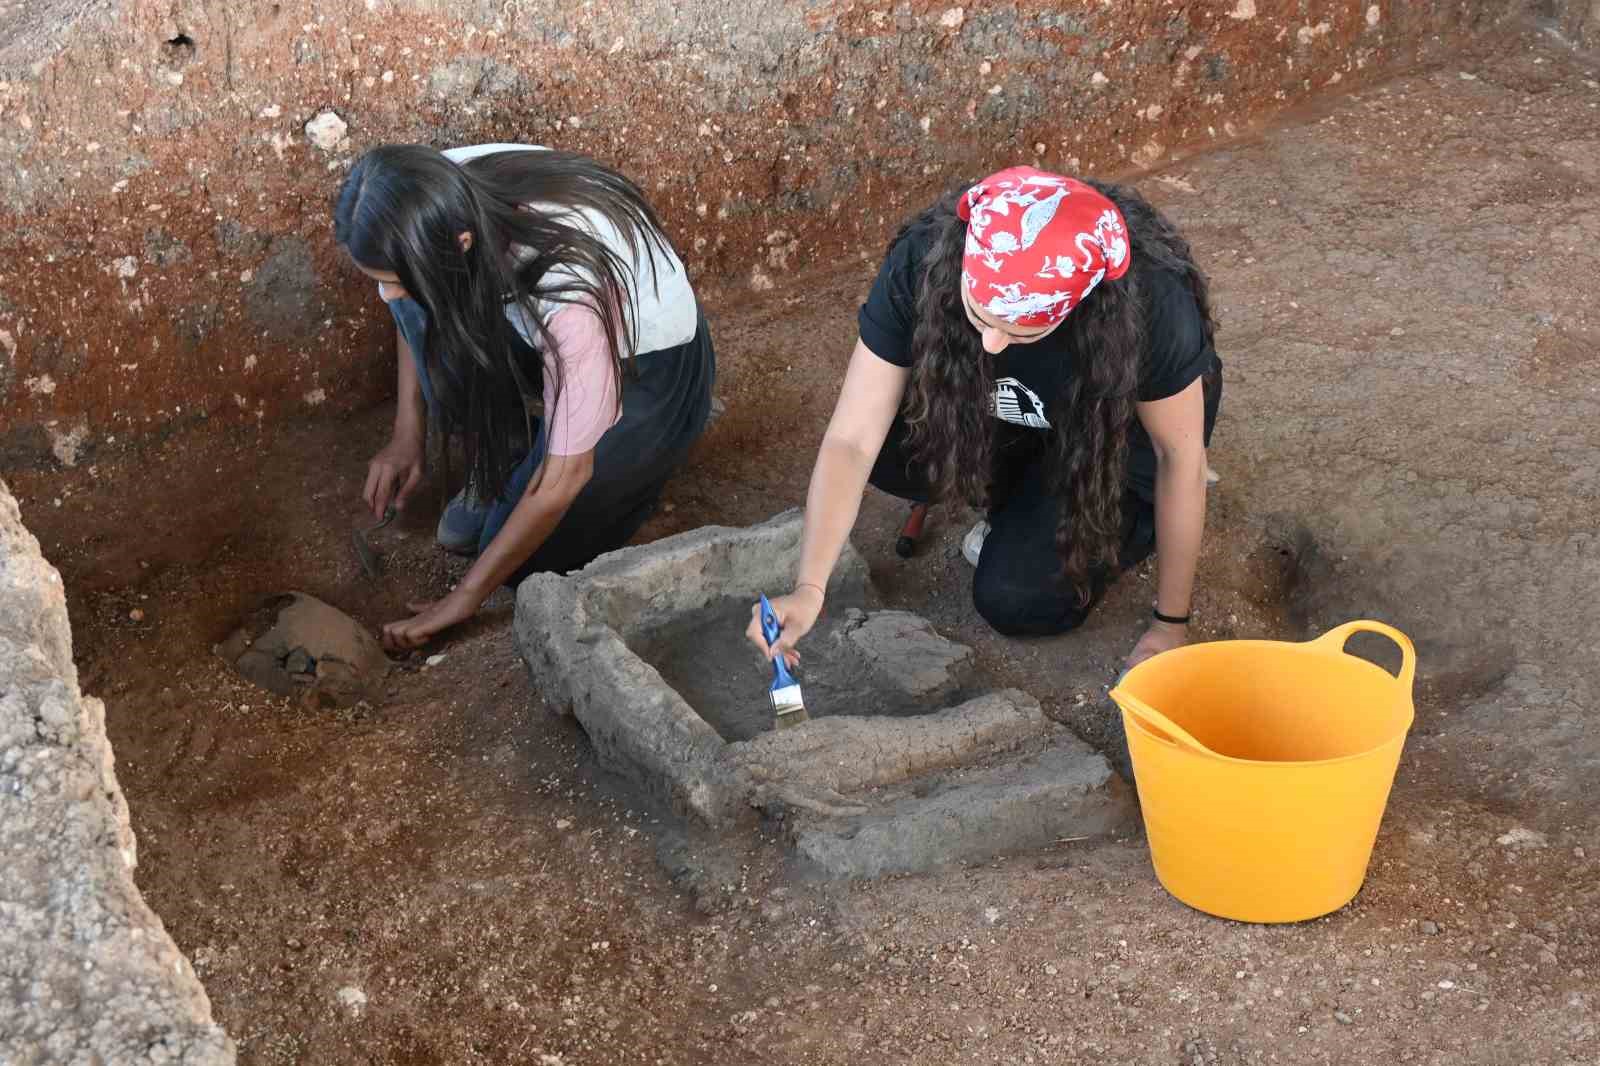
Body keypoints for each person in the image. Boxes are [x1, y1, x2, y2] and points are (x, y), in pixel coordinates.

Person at [746, 166, 1221, 673]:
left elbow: (1180, 458)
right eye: (980, 316)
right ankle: (1016, 500)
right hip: (1015, 411)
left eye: (1018, 330)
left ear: (1079, 310)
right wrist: (809, 588)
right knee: (891, 450)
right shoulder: (925, 258)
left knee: (1018, 600)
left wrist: (1171, 625)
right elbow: (852, 437)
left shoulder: (1150, 304)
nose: (991, 344)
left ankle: (1119, 517)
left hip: (1107, 436)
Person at [334, 143, 714, 650]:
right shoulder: (423, 198)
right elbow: (412, 311)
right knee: (472, 531)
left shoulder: (570, 296)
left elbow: (562, 482)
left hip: (648, 368)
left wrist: (465, 596)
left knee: (519, 562)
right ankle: (515, 453)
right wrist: (407, 436)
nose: (391, 294)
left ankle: (635, 458)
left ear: (461, 244)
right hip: (539, 331)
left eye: (397, 282)